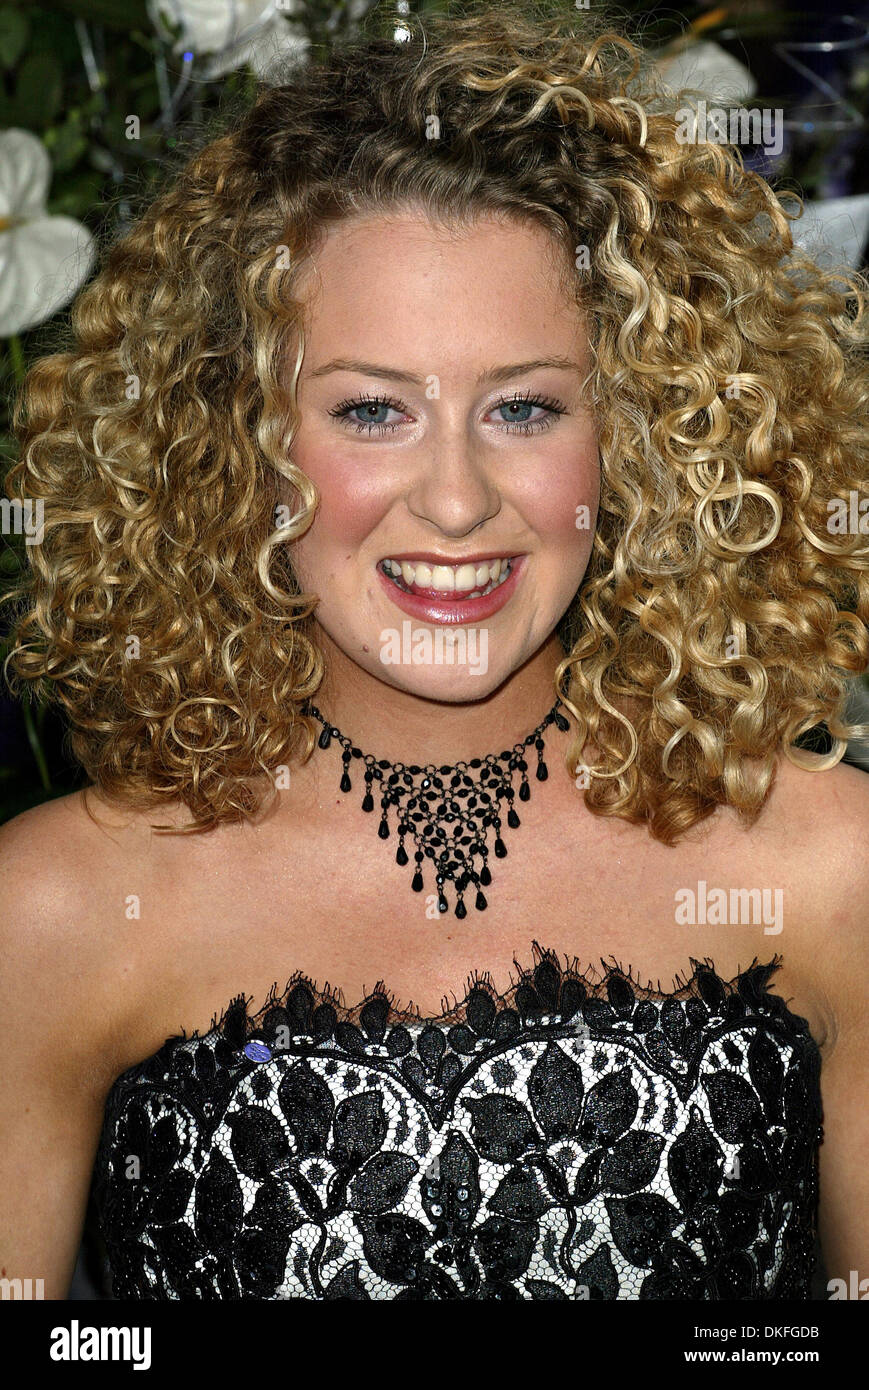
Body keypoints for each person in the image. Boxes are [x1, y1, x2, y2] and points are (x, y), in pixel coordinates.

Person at [1, 0, 867, 1302]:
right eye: (371, 410)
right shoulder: (57, 907)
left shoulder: (832, 870)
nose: (456, 501)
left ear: (633, 433)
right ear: (237, 435)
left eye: (522, 406)